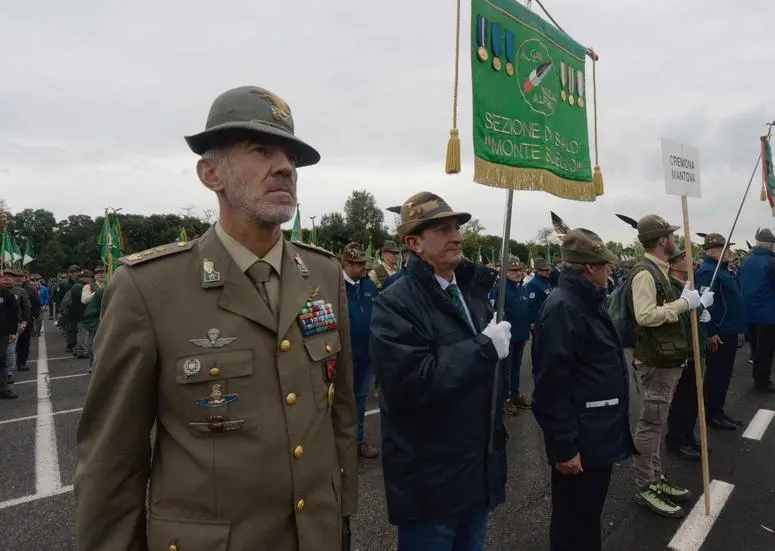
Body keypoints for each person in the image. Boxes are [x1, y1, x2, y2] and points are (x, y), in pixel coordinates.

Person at [75, 85, 358, 551]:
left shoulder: (323, 273)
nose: (285, 166)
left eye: (290, 156)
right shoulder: (149, 288)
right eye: (260, 150)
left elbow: (339, 410)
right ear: (211, 173)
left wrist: (342, 512)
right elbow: (112, 461)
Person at [370, 191, 509, 551]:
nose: (458, 236)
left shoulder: (471, 293)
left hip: (474, 470)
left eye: (457, 228)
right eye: (443, 229)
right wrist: (484, 348)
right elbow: (411, 383)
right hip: (431, 482)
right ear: (414, 243)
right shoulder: (395, 302)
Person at [532, 225, 633, 550]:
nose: (610, 269)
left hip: (596, 433)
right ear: (589, 267)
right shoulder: (565, 306)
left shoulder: (587, 301)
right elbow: (550, 386)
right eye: (604, 264)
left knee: (587, 518)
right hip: (581, 441)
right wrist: (564, 448)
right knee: (572, 524)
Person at [627, 215, 713, 519]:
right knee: (650, 425)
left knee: (657, 422)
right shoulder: (645, 273)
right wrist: (682, 305)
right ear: (662, 240)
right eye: (670, 236)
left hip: (666, 359)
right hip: (655, 361)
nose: (675, 240)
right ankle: (644, 485)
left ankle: (656, 477)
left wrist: (693, 305)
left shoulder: (657, 270)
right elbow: (645, 315)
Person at [694, 234, 747, 431]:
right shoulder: (708, 272)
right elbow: (705, 306)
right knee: (716, 374)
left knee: (724, 374)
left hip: (730, 329)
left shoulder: (723, 271)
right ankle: (712, 413)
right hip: (719, 332)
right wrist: (711, 331)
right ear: (710, 252)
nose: (729, 252)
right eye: (724, 249)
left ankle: (718, 409)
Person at [665, 247, 708, 460]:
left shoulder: (686, 285)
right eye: (683, 258)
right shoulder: (671, 288)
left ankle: (687, 435)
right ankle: (676, 440)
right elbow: (676, 319)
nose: (689, 260)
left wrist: (702, 310)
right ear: (672, 264)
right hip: (684, 350)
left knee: (693, 398)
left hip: (695, 348)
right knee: (681, 399)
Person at [740, 228, 775, 393]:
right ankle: (762, 381)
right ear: (769, 244)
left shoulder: (746, 261)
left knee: (756, 348)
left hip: (750, 312)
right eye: (773, 243)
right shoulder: (774, 263)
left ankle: (758, 377)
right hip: (768, 313)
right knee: (766, 349)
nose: (774, 246)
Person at [341, 242, 380, 459]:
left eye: (364, 264)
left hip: (365, 356)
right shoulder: (334, 286)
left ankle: (358, 440)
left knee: (359, 400)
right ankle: (338, 443)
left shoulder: (368, 286)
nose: (363, 269)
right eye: (358, 265)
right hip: (342, 357)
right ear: (346, 264)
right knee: (338, 402)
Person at [491, 254, 532, 414]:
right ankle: (504, 398)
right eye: (513, 270)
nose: (518, 273)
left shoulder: (520, 287)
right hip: (507, 338)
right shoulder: (500, 290)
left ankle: (514, 394)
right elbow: (495, 313)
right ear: (504, 271)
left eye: (519, 270)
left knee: (516, 368)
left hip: (520, 334)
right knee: (505, 370)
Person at [80, 266, 107, 371]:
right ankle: (92, 365)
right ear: (94, 276)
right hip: (93, 318)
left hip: (105, 315)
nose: (101, 275)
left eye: (102, 272)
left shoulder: (108, 285)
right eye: (98, 273)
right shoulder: (88, 287)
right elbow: (84, 300)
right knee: (92, 343)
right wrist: (99, 292)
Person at [0, 269, 21, 398]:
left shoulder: (5, 294)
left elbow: (14, 314)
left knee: (1, 359)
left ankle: (3, 388)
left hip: (2, 332)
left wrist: (13, 332)